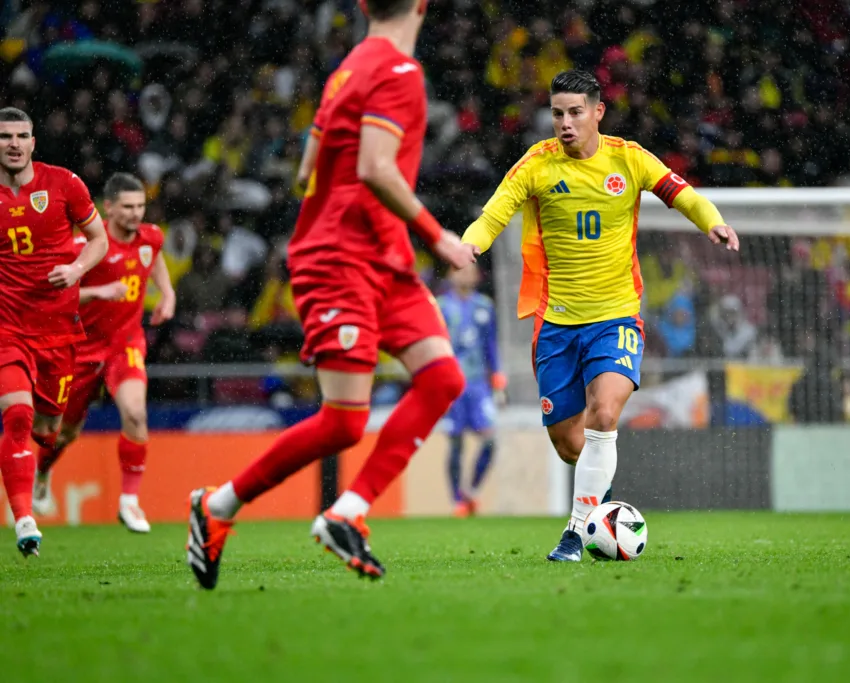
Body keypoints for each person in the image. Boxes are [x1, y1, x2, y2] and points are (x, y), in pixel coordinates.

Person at [186, 0, 476, 589]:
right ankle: (216, 507)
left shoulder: (346, 70)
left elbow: (304, 172)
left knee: (444, 378)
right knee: (344, 423)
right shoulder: (399, 73)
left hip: (382, 259)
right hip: (341, 259)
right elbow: (373, 166)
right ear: (422, 6)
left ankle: (346, 511)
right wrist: (435, 233)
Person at [462, 71, 739, 561]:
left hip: (616, 318)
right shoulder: (536, 165)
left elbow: (682, 193)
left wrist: (712, 222)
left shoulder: (628, 158)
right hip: (556, 325)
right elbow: (494, 214)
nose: (565, 124)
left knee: (605, 414)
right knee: (570, 444)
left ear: (597, 112)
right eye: (556, 114)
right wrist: (469, 245)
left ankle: (573, 534)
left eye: (574, 113)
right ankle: (599, 506)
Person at [32, 173, 175, 533]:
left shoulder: (151, 237)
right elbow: (54, 297)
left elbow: (153, 258)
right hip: (79, 349)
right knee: (62, 434)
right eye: (127, 207)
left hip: (124, 345)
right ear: (107, 207)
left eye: (140, 206)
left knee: (136, 414)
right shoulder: (84, 244)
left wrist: (168, 294)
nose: (135, 214)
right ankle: (42, 473)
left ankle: (129, 503)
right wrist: (97, 292)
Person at [0, 107, 108, 556]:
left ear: (33, 142)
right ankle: (24, 520)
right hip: (8, 329)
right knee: (18, 417)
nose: (13, 144)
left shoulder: (64, 184)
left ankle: (39, 469)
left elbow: (99, 239)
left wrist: (76, 267)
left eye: (21, 135)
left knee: (49, 430)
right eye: (5, 136)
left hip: (60, 333)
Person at [437, 263, 505, 516]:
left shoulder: (485, 306)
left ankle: (472, 491)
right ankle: (457, 501)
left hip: (478, 385)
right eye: (459, 269)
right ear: (450, 273)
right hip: (451, 384)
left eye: (469, 270)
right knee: (455, 442)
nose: (465, 274)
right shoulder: (440, 307)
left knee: (490, 439)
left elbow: (491, 345)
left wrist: (497, 377)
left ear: (478, 275)